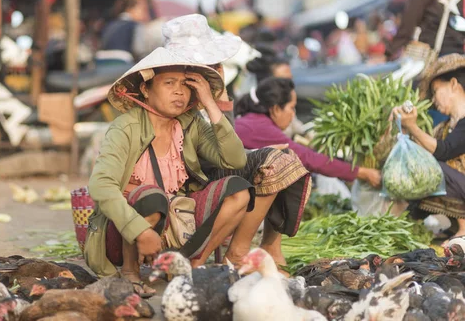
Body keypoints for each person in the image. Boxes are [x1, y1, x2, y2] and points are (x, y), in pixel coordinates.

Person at [85, 47, 310, 295]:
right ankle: (131, 272)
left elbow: (234, 160)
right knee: (151, 197)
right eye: (169, 83)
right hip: (128, 228)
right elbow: (101, 185)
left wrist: (210, 104)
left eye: (185, 84)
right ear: (146, 89)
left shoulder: (190, 122)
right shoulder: (125, 127)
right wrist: (139, 229)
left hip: (179, 217)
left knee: (239, 191)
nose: (179, 91)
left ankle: (195, 265)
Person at [234, 77, 382, 187]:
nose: (293, 114)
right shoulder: (261, 128)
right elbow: (309, 159)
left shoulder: (253, 121)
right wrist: (362, 172)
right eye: (292, 108)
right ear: (276, 109)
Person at [393, 53, 465, 241]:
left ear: (453, 84)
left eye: (436, 91)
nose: (434, 100)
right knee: (423, 166)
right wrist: (404, 128)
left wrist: (413, 127)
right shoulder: (444, 127)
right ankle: (452, 225)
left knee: (433, 168)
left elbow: (443, 150)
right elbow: (425, 151)